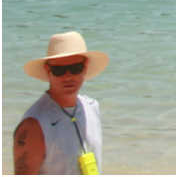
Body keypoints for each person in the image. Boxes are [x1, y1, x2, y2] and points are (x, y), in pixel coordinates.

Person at [13, 31, 107, 175]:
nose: (68, 76)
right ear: (47, 70)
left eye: (75, 68)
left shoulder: (92, 107)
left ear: (85, 67)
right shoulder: (34, 126)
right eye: (59, 70)